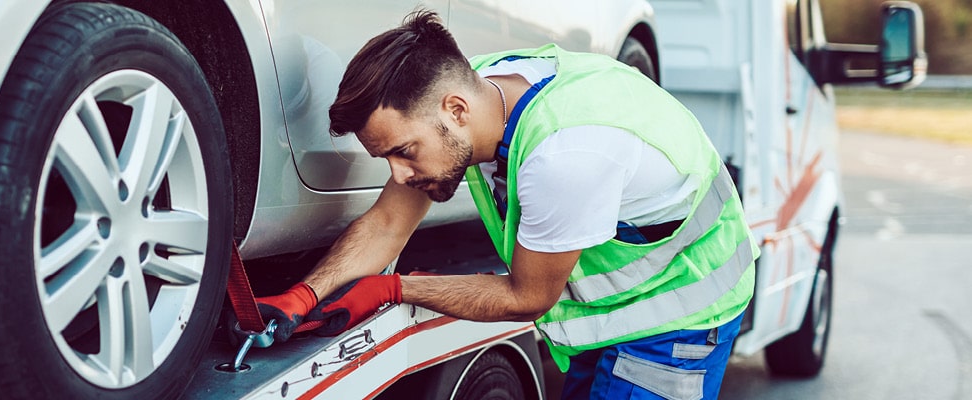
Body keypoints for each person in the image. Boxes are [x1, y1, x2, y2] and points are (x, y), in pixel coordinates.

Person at [255, 10, 757, 399]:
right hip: (616, 307)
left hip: (680, 307)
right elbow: (387, 223)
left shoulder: (563, 154)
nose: (399, 175)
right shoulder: (481, 91)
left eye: (403, 151)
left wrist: (395, 289)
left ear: (455, 110)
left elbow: (527, 297)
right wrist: (302, 295)